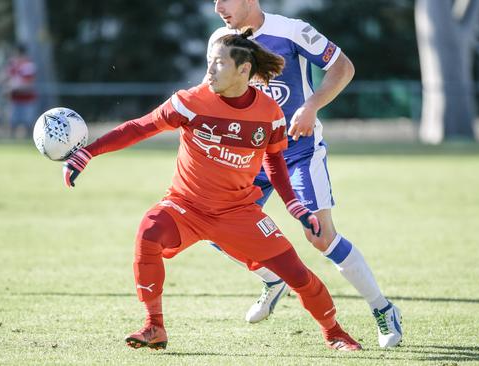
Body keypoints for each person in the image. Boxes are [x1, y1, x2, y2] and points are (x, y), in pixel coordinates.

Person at [62, 30, 362, 352]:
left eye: (218, 63)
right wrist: (88, 152)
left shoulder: (269, 113)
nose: (209, 71)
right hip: (185, 206)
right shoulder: (190, 102)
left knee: (298, 275)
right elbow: (140, 126)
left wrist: (295, 206)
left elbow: (274, 162)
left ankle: (334, 333)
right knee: (148, 232)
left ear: (243, 69)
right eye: (209, 62)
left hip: (239, 213)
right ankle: (154, 326)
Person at [209, 0, 402, 348]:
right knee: (211, 225)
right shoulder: (220, 39)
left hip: (298, 152)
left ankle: (383, 309)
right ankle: (273, 280)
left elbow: (343, 67)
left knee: (321, 237)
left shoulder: (291, 30)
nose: (218, 6)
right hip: (250, 157)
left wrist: (310, 106)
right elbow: (215, 96)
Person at [5, 44, 38, 138]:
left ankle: (29, 140)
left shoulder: (28, 65)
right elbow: (6, 76)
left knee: (28, 122)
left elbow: (29, 84)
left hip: (27, 99)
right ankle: (11, 142)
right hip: (15, 99)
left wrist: (14, 88)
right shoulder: (13, 65)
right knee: (13, 122)